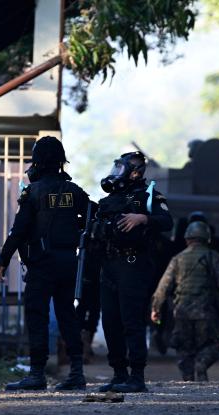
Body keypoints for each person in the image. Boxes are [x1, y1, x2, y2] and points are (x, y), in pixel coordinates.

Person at [0, 136, 89, 391]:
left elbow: (18, 231)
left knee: (37, 315)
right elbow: (92, 214)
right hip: (69, 262)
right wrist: (75, 227)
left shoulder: (33, 193)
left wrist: (2, 261)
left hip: (42, 264)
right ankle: (76, 373)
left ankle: (37, 374)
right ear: (60, 161)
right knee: (67, 315)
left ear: (37, 161)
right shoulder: (74, 191)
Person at [92, 151, 173, 393]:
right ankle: (119, 374)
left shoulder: (149, 196)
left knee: (132, 322)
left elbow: (167, 221)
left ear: (136, 172)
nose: (118, 172)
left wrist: (142, 218)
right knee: (110, 323)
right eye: (116, 167)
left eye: (123, 168)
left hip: (133, 265)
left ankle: (137, 376)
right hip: (109, 267)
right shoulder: (109, 200)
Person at [151, 221, 219, 381]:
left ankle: (188, 379)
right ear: (207, 239)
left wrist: (156, 308)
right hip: (206, 310)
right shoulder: (213, 256)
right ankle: (201, 364)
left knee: (183, 347)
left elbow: (163, 287)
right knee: (213, 344)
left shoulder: (177, 259)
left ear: (187, 239)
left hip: (181, 311)